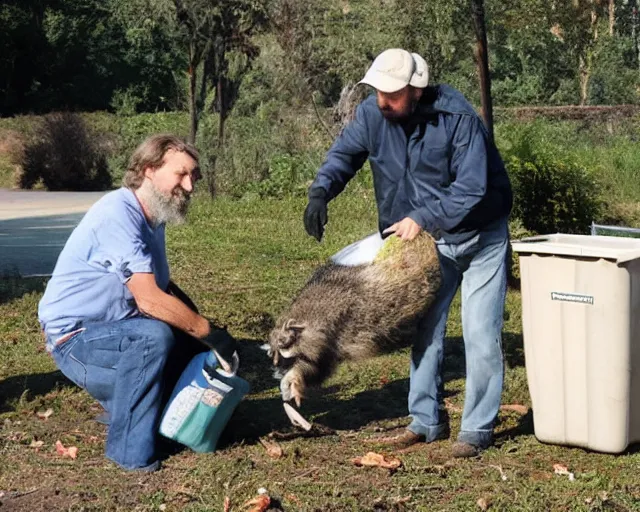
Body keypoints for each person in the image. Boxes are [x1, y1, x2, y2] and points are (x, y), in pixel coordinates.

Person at [303, 49, 512, 458]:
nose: (383, 100)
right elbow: (344, 155)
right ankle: (425, 422)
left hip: (480, 237)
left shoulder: (458, 119)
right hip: (425, 244)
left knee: (480, 335)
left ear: (416, 89)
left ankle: (476, 430)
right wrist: (320, 192)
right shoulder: (372, 114)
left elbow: (471, 188)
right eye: (378, 91)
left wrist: (423, 214)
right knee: (424, 330)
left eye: (392, 93)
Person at [38, 134, 236, 472]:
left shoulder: (151, 215)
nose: (189, 186)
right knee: (154, 338)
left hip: (112, 330)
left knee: (187, 342)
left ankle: (138, 410)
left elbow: (162, 286)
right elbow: (149, 299)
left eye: (194, 175)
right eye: (180, 175)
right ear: (148, 170)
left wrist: (202, 332)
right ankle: (130, 452)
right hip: (76, 342)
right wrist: (208, 331)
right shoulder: (118, 215)